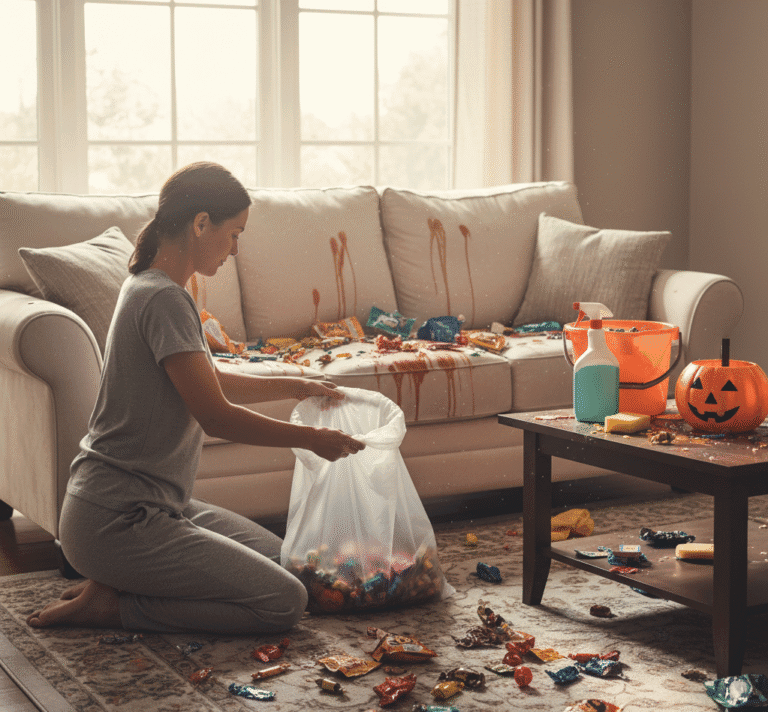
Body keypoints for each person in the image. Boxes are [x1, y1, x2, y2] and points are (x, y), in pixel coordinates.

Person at [26, 162, 365, 634]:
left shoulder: (149, 285)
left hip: (156, 507)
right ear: (201, 223)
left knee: (292, 563)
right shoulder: (162, 298)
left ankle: (115, 581)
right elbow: (216, 416)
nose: (236, 249)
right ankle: (119, 605)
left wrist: (295, 384)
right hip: (118, 520)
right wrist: (311, 438)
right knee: (285, 601)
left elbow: (207, 380)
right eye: (234, 234)